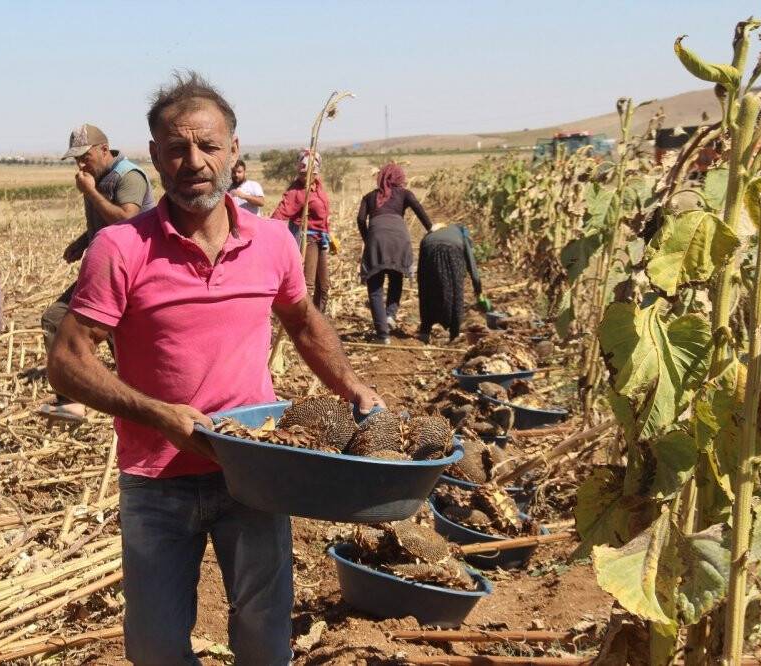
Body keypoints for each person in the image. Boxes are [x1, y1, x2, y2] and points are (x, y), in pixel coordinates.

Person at [46, 71, 383, 665]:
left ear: (233, 150)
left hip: (255, 470)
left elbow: (302, 321)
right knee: (153, 648)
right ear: (155, 156)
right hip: (155, 478)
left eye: (207, 145)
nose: (193, 161)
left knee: (262, 630)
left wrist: (351, 384)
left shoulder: (273, 241)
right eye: (176, 148)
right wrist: (157, 414)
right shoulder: (121, 248)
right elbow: (69, 362)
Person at [39, 124, 155, 422]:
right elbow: (105, 223)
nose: (80, 164)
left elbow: (128, 222)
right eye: (76, 159)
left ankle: (139, 403)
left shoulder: (128, 176)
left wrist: (90, 192)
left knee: (124, 337)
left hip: (134, 270)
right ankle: (72, 399)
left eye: (85, 156)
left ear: (104, 150)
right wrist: (82, 242)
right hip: (104, 267)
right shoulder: (98, 178)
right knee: (55, 319)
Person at [356, 162, 432, 343]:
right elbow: (419, 210)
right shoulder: (405, 194)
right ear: (400, 178)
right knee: (396, 278)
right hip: (400, 240)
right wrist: (431, 229)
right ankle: (390, 315)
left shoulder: (369, 197)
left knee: (375, 289)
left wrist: (368, 239)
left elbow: (360, 219)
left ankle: (382, 335)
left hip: (376, 240)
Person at [270, 151, 332, 312]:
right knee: (308, 284)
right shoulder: (297, 191)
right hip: (307, 238)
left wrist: (329, 234)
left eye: (309, 173)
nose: (305, 177)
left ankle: (319, 319)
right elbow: (279, 215)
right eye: (302, 173)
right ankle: (304, 320)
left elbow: (324, 214)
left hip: (321, 238)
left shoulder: (318, 186)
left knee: (324, 285)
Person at [417, 223, 487, 342]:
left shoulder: (432, 233)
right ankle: (454, 334)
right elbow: (472, 265)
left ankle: (425, 331)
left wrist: (420, 281)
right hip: (452, 250)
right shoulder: (462, 235)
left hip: (428, 247)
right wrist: (478, 289)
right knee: (456, 290)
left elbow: (421, 270)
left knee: (427, 289)